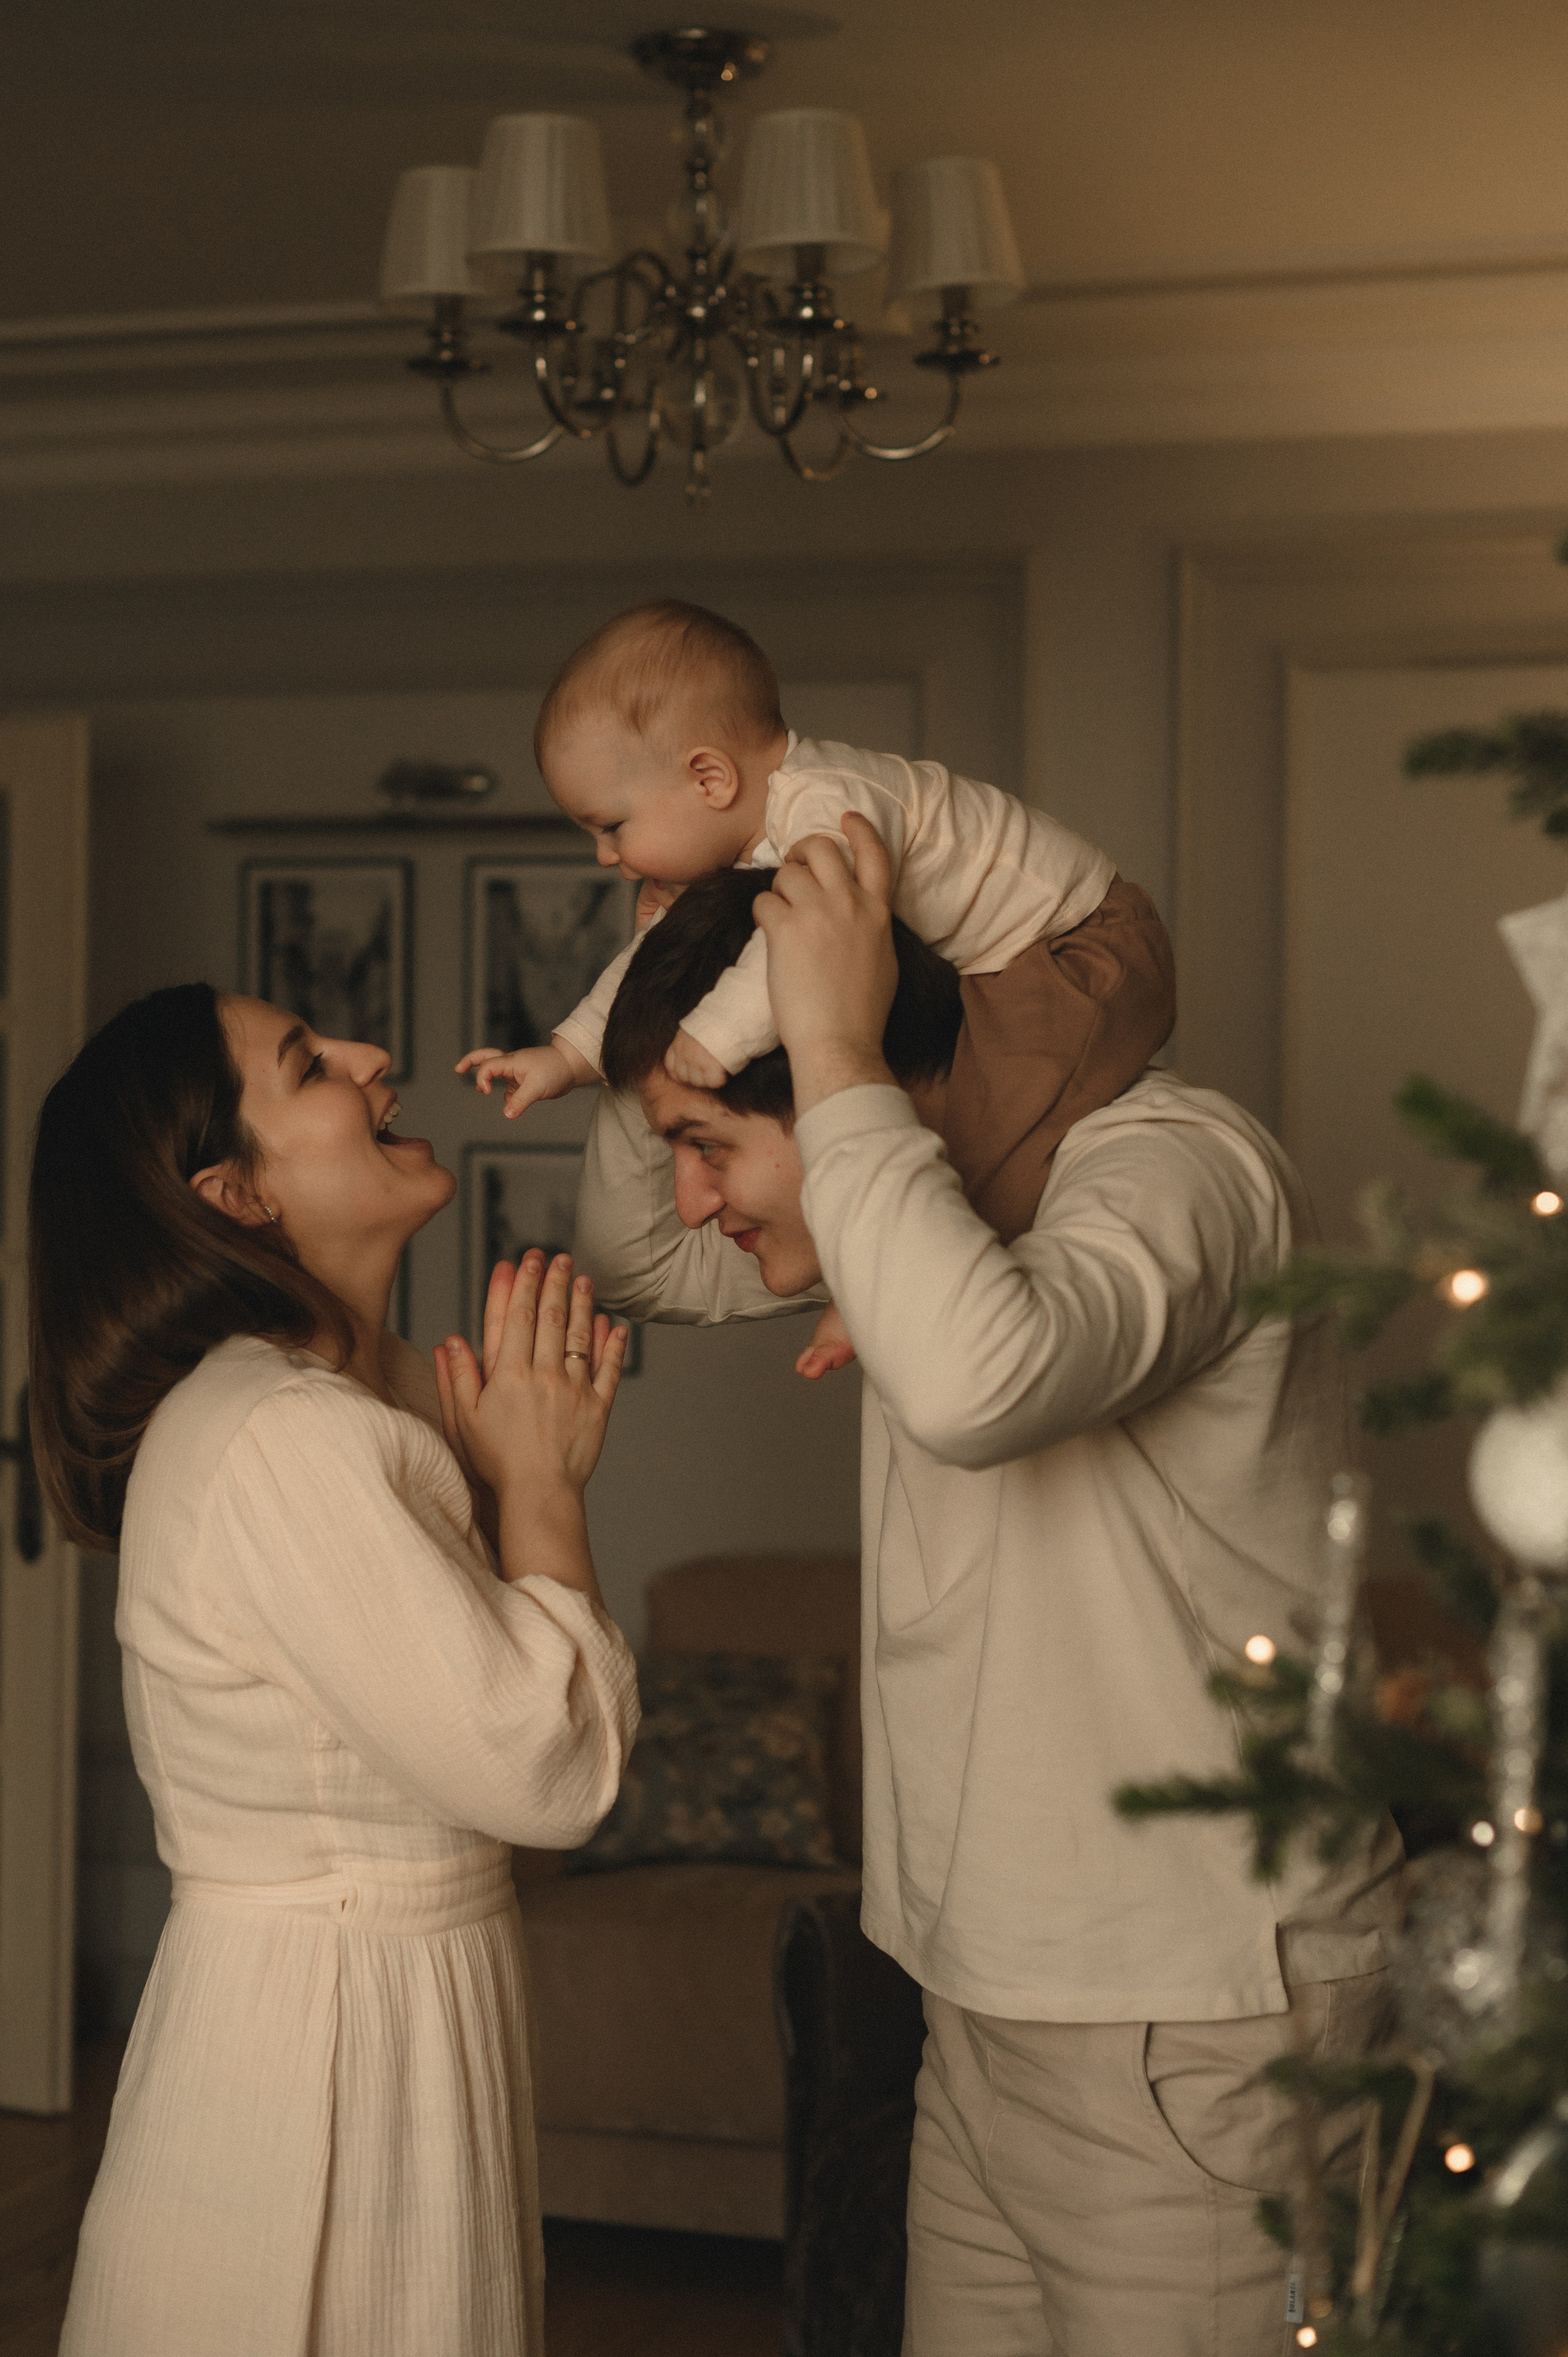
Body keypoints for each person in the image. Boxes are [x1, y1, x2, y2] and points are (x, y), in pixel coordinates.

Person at [574, 832, 1404, 2357]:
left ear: (860, 1089)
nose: (688, 1197)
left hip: (1191, 2010)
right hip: (984, 1998)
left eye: (708, 1142)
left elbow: (978, 1380)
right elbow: (623, 1252)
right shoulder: (905, 1207)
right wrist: (670, 995)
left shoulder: (1172, 1165)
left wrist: (823, 1033)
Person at [37, 983, 637, 2357]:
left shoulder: (340, 1411)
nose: (378, 1060)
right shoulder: (279, 1435)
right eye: (312, 1065)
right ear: (235, 1193)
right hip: (324, 2044)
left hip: (379, 2006)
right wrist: (541, 1486)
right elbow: (546, 1770)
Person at [458, 599, 1175, 1373]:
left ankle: (878, 1289)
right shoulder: (758, 852)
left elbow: (794, 965)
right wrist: (567, 1054)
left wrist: (714, 1036)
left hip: (1082, 947)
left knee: (994, 1134)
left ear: (708, 775)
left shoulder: (829, 806)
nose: (604, 856)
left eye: (611, 826)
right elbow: (656, 990)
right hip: (1006, 964)